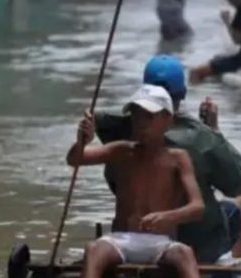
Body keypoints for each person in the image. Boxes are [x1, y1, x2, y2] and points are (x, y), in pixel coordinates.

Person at [86, 56, 241, 263]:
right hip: (196, 245)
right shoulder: (200, 138)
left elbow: (110, 180)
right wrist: (214, 131)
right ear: (183, 94)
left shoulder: (119, 131)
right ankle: (237, 266)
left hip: (137, 239)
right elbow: (240, 183)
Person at [68, 85, 204, 278]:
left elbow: (197, 207)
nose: (141, 123)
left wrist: (167, 217)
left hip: (162, 242)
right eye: (136, 116)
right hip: (121, 240)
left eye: (149, 116)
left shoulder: (178, 158)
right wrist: (82, 141)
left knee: (185, 253)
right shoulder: (122, 151)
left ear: (168, 120)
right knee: (94, 249)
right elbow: (75, 159)